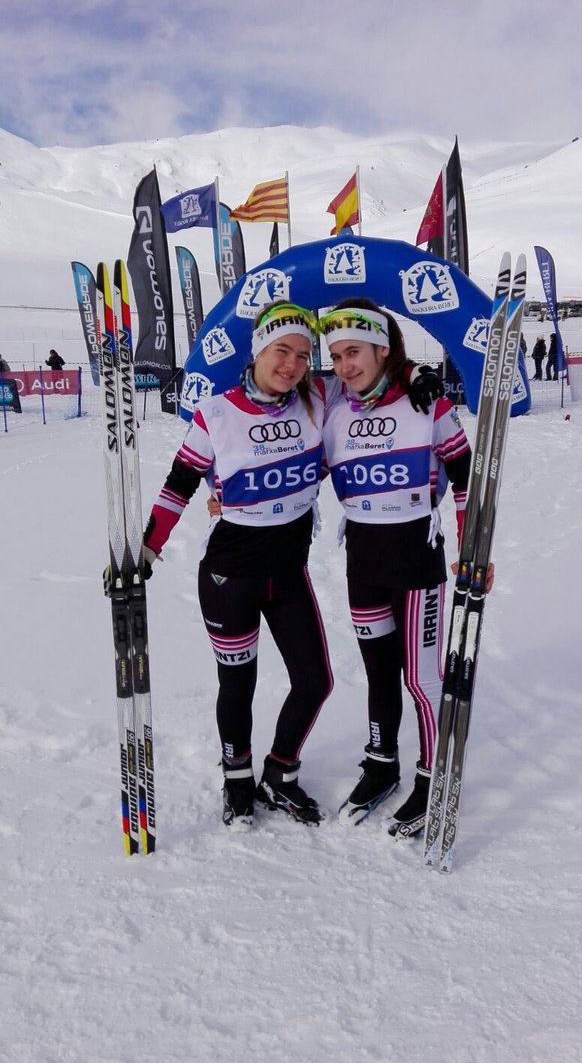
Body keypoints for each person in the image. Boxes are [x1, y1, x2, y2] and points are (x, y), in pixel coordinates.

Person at [144, 301, 443, 832]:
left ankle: (279, 774)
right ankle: (237, 782)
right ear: (259, 349)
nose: (293, 364)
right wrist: (147, 547)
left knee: (315, 680)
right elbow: (178, 485)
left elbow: (371, 366)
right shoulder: (215, 413)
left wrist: (418, 373)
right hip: (229, 573)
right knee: (238, 684)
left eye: (305, 356)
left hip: (289, 572)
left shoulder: (315, 396)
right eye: (283, 350)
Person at [320, 298, 481, 839]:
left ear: (383, 349)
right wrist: (223, 493)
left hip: (416, 553)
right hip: (362, 555)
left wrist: (471, 547)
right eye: (337, 355)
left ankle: (432, 774)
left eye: (355, 352)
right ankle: (382, 761)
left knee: (422, 675)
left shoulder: (425, 402)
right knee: (377, 672)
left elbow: (464, 477)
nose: (345, 365)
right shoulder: (333, 408)